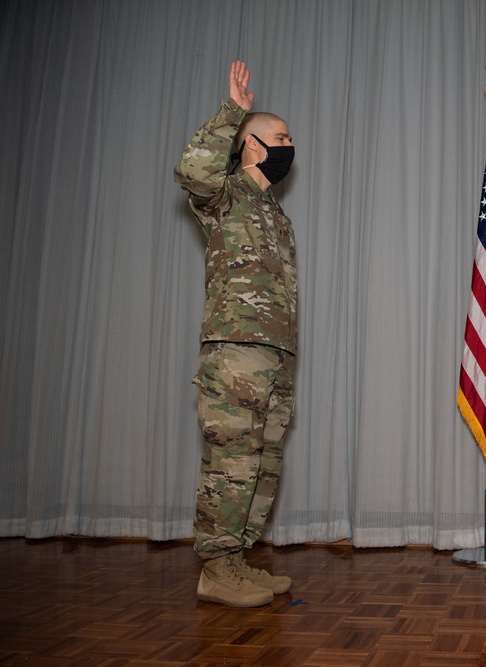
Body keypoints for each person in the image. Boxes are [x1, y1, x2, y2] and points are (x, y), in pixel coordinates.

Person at [174, 61, 298, 607]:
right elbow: (194, 172)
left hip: (275, 352)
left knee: (264, 459)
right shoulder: (225, 195)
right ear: (251, 145)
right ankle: (215, 567)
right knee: (231, 459)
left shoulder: (276, 213)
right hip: (235, 351)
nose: (290, 146)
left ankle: (239, 561)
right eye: (280, 137)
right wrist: (231, 111)